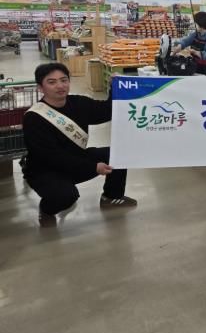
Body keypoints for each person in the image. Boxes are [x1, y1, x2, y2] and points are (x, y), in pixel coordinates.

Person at [22, 63, 136, 227]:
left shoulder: (79, 103)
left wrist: (115, 87)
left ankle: (111, 196)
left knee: (118, 153)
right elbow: (51, 157)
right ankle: (46, 209)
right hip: (45, 170)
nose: (60, 86)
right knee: (66, 196)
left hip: (76, 160)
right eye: (52, 82)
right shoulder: (34, 118)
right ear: (40, 87)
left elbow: (107, 110)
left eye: (64, 80)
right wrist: (93, 167)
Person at [173, 11, 206, 75]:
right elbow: (186, 41)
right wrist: (179, 46)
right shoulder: (196, 34)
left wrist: (195, 52)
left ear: (201, 25)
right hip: (195, 67)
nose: (194, 25)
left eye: (195, 23)